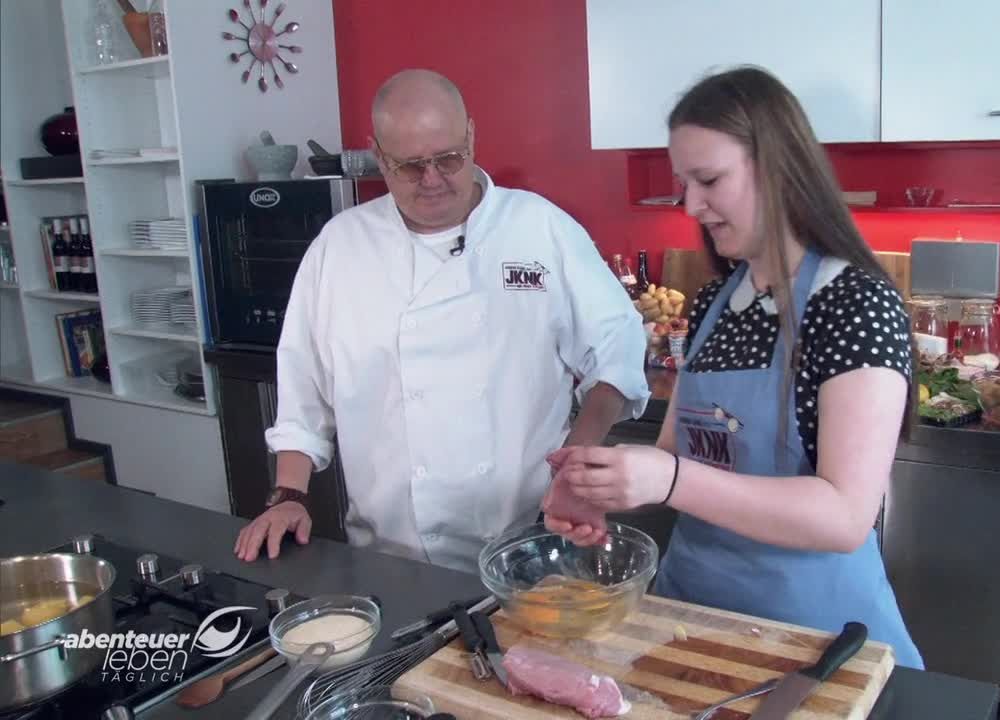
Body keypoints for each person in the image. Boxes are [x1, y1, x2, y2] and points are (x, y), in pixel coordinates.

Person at [546, 66, 924, 669]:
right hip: (694, 622)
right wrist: (608, 487)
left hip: (816, 645)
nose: (690, 203)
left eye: (709, 179)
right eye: (684, 182)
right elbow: (680, 455)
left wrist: (668, 480)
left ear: (778, 168)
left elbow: (846, 516)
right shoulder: (716, 302)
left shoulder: (854, 303)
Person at [234, 69, 649, 572]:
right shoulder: (339, 248)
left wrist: (577, 464)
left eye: (449, 159)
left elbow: (618, 348)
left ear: (471, 135)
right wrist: (287, 495)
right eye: (409, 166)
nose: (432, 180)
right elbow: (303, 387)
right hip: (388, 557)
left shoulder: (539, 228)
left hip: (530, 544)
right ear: (377, 155)